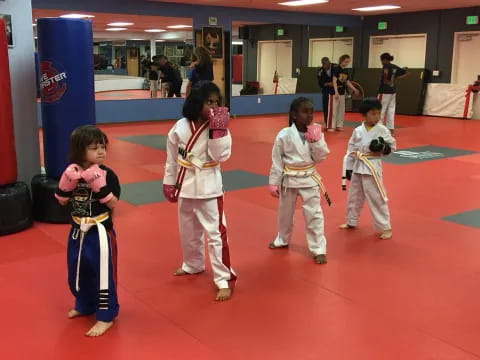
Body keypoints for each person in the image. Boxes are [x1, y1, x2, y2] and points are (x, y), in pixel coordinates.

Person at [162, 82, 236, 301]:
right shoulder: (180, 127)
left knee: (215, 234)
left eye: (216, 102)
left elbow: (220, 156)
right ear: (196, 102)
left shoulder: (219, 126)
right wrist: (169, 181)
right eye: (208, 102)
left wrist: (219, 130)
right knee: (188, 231)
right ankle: (192, 264)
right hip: (185, 185)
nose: (213, 106)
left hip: (209, 187)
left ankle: (223, 278)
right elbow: (171, 157)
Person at [54, 125, 121, 337]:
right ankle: (84, 304)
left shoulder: (108, 174)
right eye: (95, 148)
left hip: (99, 232)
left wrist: (99, 184)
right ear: (80, 150)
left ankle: (105, 316)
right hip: (76, 231)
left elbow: (113, 204)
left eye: (103, 147)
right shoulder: (72, 172)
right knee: (77, 270)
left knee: (102, 275)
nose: (101, 152)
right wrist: (65, 183)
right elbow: (62, 201)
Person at [268, 97, 330, 264]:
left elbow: (320, 157)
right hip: (289, 178)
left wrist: (316, 142)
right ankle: (282, 239)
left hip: (309, 178)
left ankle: (318, 248)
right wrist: (274, 182)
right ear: (294, 115)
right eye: (305, 112)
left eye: (311, 112)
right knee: (285, 213)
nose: (309, 116)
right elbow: (277, 160)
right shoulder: (284, 134)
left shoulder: (316, 133)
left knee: (314, 214)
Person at [340, 98, 396, 240]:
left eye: (378, 113)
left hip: (372, 166)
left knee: (376, 197)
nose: (377, 117)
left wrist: (383, 148)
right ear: (364, 115)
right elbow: (351, 148)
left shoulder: (382, 130)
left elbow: (392, 147)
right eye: (373, 114)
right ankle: (351, 221)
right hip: (358, 165)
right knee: (354, 196)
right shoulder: (358, 130)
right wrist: (348, 167)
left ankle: (385, 226)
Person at [377, 53, 407, 134]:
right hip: (392, 91)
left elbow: (385, 76)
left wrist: (387, 80)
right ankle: (390, 129)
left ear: (384, 59)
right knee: (391, 110)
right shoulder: (394, 66)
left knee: (380, 109)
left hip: (384, 91)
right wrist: (395, 78)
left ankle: (378, 129)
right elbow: (405, 72)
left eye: (381, 60)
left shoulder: (386, 66)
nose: (381, 62)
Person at [329, 54, 359, 132]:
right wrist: (336, 92)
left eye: (348, 62)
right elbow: (334, 81)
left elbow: (347, 82)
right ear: (341, 60)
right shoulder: (336, 69)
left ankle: (339, 125)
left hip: (342, 92)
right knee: (333, 110)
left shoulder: (345, 71)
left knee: (341, 110)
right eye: (345, 61)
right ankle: (331, 126)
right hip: (334, 92)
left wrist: (354, 89)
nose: (346, 63)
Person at [317, 57, 335, 128]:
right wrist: (328, 84)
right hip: (326, 91)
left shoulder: (336, 67)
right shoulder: (320, 71)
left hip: (336, 91)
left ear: (329, 62)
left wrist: (334, 83)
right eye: (323, 64)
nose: (325, 66)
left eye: (326, 64)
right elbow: (320, 83)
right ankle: (326, 122)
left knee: (335, 108)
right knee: (326, 107)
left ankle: (335, 123)